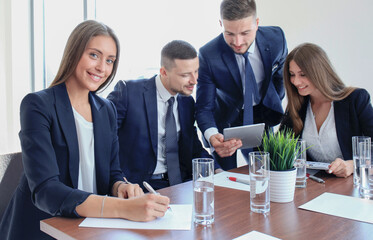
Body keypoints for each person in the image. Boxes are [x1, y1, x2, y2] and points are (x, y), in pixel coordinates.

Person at [0, 20, 169, 240]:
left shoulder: (106, 109)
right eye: (94, 55)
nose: (102, 68)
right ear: (74, 52)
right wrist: (124, 208)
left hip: (89, 225)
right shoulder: (37, 105)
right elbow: (47, 191)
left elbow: (112, 174)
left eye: (110, 60)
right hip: (44, 227)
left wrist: (121, 188)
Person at [107, 40, 215, 191]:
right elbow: (104, 142)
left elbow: (193, 146)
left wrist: (216, 169)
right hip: (141, 186)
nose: (194, 81)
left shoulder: (187, 101)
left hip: (182, 183)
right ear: (164, 72)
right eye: (185, 75)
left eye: (196, 71)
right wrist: (118, 182)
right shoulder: (128, 93)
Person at [196, 0, 288, 170]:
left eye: (245, 33)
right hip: (227, 120)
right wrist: (211, 135)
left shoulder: (276, 39)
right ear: (221, 24)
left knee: (268, 170)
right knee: (224, 179)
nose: (237, 42)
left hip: (261, 114)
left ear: (257, 23)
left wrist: (273, 100)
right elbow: (203, 107)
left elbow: (281, 76)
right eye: (229, 33)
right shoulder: (208, 54)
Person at [280, 43, 373, 178]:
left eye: (303, 74)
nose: (296, 81)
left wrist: (353, 165)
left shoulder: (355, 99)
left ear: (319, 72)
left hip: (353, 183)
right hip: (317, 184)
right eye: (292, 74)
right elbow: (277, 148)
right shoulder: (298, 106)